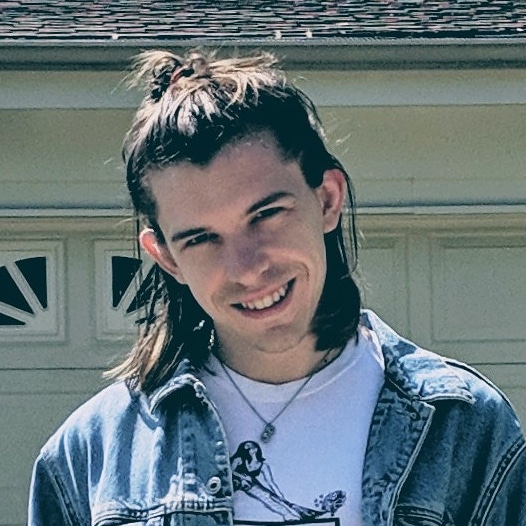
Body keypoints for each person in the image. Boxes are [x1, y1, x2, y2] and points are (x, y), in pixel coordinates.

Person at [28, 49, 526, 525]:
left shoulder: (464, 427)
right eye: (201, 239)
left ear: (327, 199)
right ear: (167, 258)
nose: (246, 268)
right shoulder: (89, 456)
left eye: (266, 215)